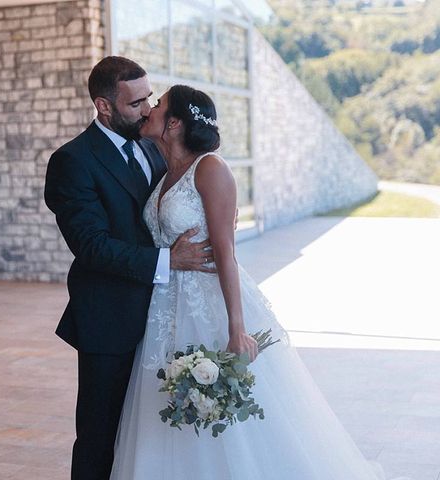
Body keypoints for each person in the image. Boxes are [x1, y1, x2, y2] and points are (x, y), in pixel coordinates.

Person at [110, 85, 402, 479]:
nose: (149, 110)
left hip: (208, 304)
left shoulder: (210, 168)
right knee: (167, 409)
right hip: (165, 308)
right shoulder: (165, 172)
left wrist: (237, 328)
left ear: (176, 122)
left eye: (158, 105)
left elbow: (226, 252)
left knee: (226, 413)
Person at [44, 57, 217, 480]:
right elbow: (91, 245)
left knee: (151, 429)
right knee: (100, 434)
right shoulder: (72, 161)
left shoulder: (153, 146)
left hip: (165, 316)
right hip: (110, 317)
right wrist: (167, 260)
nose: (147, 109)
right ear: (104, 106)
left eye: (149, 99)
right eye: (136, 102)